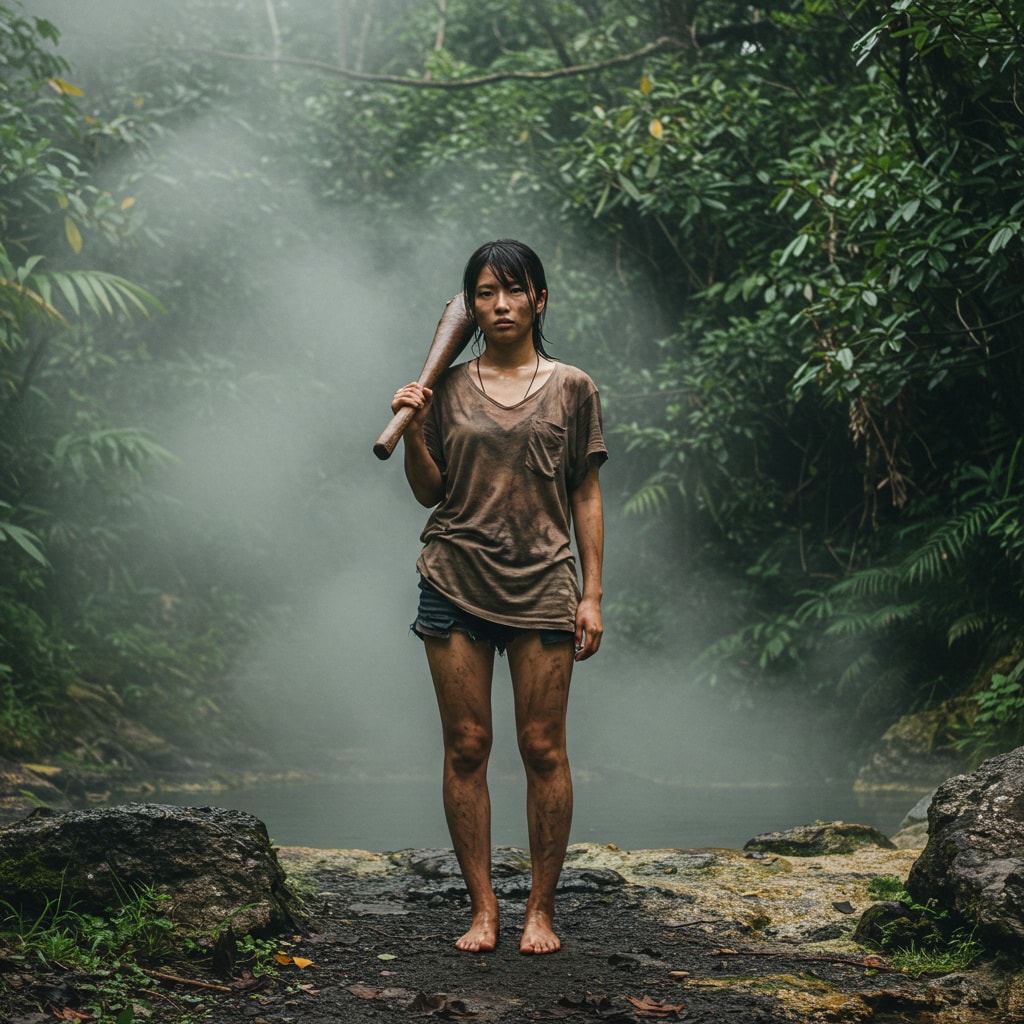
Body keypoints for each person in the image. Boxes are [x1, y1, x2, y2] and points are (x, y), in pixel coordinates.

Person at [390, 239, 607, 955]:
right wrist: (414, 427)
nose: (501, 305)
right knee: (467, 746)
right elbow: (429, 491)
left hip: (544, 582)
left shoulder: (572, 387)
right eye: (485, 293)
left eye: (514, 291)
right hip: (453, 577)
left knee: (543, 748)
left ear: (539, 300)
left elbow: (584, 491)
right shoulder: (446, 387)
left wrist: (592, 593)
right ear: (472, 305)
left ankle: (540, 909)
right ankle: (483, 908)